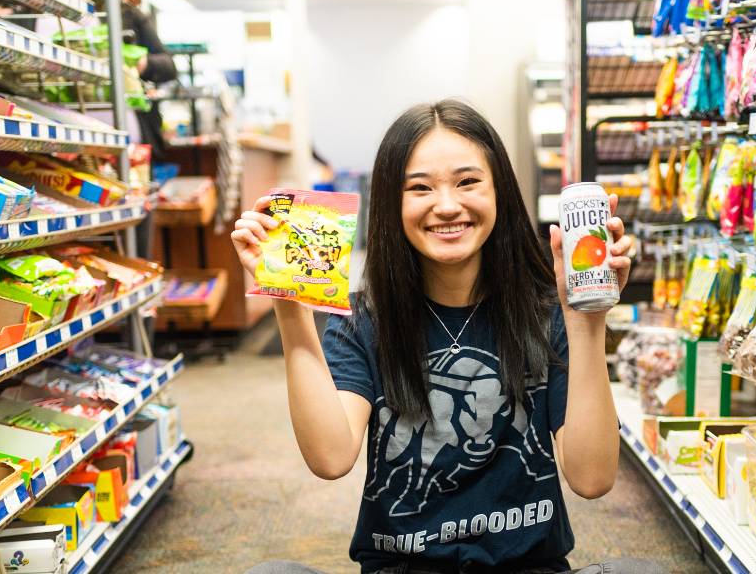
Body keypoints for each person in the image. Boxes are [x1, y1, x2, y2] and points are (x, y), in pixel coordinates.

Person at [231, 100, 654, 574]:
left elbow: (593, 477)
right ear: (393, 204)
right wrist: (288, 306)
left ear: (500, 193)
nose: (448, 205)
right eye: (420, 188)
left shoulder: (546, 314)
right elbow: (330, 458)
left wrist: (586, 320)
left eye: (468, 182)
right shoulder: (365, 318)